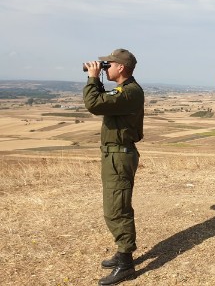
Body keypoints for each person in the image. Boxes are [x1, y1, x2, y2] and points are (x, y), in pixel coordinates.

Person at [83, 49, 144, 286]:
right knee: (115, 204)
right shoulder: (124, 90)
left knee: (116, 209)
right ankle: (122, 252)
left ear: (121, 67)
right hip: (114, 155)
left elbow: (94, 104)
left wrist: (93, 78)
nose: (105, 68)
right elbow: (104, 103)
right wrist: (97, 80)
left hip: (119, 156)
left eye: (108, 65)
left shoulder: (131, 92)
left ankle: (126, 263)